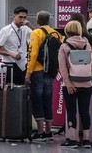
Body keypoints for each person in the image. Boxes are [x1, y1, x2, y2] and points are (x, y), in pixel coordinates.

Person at [25, 11, 63, 141]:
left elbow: (33, 54)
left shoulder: (35, 33)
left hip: (38, 70)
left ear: (37, 20)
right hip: (51, 71)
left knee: (37, 99)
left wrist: (28, 72)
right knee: (48, 99)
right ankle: (48, 130)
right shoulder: (56, 34)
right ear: (49, 20)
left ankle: (40, 131)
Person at [59, 20, 92, 148]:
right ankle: (86, 140)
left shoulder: (64, 46)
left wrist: (68, 83)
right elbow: (91, 65)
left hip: (71, 85)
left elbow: (63, 68)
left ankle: (72, 139)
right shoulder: (87, 44)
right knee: (85, 111)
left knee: (72, 111)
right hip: (87, 84)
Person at [0, 6, 32, 85]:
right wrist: (10, 53)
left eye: (24, 18)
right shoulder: (6, 30)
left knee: (22, 90)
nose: (22, 20)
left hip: (23, 64)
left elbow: (37, 36)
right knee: (11, 90)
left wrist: (30, 25)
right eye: (20, 17)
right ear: (14, 16)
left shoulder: (25, 29)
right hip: (10, 64)